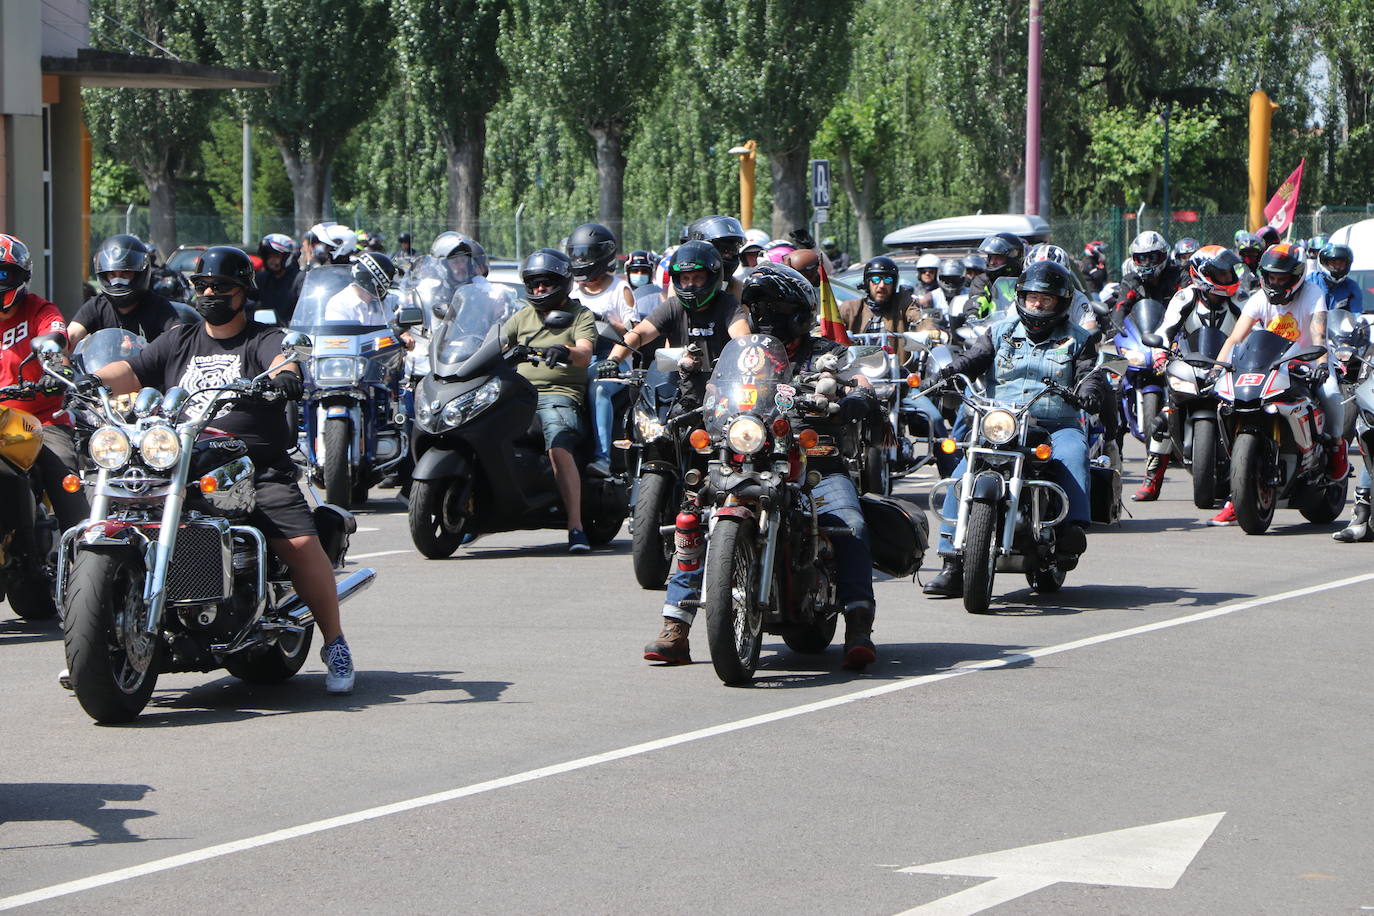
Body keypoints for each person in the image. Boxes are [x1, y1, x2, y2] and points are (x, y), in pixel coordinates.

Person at [89, 246, 354, 693]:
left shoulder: (262, 337)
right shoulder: (179, 340)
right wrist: (91, 379)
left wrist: (285, 374)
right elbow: (130, 371)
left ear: (242, 291)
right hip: (179, 458)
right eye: (202, 286)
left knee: (300, 541)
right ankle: (97, 648)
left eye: (221, 286)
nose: (210, 292)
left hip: (252, 464)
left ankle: (336, 643)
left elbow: (283, 359)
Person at [642, 263, 882, 670]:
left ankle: (858, 626)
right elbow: (714, 384)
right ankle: (676, 626)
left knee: (849, 525)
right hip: (742, 455)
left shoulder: (826, 352)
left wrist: (853, 397)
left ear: (799, 312)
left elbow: (861, 381)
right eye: (758, 309)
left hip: (815, 461)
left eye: (775, 309)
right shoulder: (744, 355)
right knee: (691, 519)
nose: (765, 318)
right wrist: (690, 391)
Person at [924, 260, 1108, 597]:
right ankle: (952, 564)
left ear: (1060, 303)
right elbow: (972, 360)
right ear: (1021, 297)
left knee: (1074, 452)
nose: (1037, 305)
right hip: (1001, 422)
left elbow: (1088, 373)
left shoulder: (1078, 339)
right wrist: (945, 374)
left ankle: (1071, 529)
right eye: (1032, 297)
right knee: (963, 472)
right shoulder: (1000, 332)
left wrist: (1090, 391)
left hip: (1054, 424)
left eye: (1046, 299)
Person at [1208, 242, 1344, 526]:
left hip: (1308, 362)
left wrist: (1320, 364)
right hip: (1269, 365)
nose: (1276, 283)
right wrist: (1217, 369)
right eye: (1271, 277)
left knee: (1330, 393)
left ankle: (1335, 446)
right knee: (1229, 405)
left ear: (1295, 277)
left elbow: (1318, 335)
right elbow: (1235, 338)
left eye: (1282, 278)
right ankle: (1239, 493)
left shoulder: (1313, 294)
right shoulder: (1258, 299)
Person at [501, 249, 598, 552]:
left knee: (557, 444)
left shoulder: (579, 315)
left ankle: (576, 526)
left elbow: (585, 352)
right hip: (517, 394)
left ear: (562, 283)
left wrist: (565, 350)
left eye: (545, 283)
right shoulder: (521, 316)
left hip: (558, 396)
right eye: (533, 284)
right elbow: (496, 344)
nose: (539, 290)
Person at [1132, 245, 1246, 501]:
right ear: (1205, 275)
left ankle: (1245, 471)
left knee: (1247, 416)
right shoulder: (1186, 297)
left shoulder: (1240, 301)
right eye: (1223, 273)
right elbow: (1165, 328)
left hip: (1228, 368)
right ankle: (1152, 480)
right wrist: (1160, 353)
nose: (1229, 277)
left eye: (1229, 272)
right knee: (1161, 421)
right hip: (1191, 363)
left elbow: (1256, 330)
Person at [0, 233, 88, 533]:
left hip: (41, 421)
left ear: (20, 277)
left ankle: (84, 556)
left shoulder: (40, 310)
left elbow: (56, 342)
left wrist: (56, 372)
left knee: (64, 476)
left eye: (2, 273)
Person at [839, 256, 957, 477]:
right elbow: (831, 325)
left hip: (898, 378)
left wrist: (930, 329)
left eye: (887, 279)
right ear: (867, 282)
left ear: (894, 282)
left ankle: (952, 481)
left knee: (935, 418)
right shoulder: (850, 308)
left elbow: (919, 318)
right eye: (875, 278)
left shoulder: (903, 302)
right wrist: (820, 332)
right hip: (857, 380)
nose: (881, 284)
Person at [603, 240, 751, 402]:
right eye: (685, 278)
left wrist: (749, 360)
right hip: (676, 392)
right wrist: (613, 360)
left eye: (697, 278)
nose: (690, 285)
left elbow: (742, 338)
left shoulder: (727, 304)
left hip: (722, 391)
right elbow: (639, 333)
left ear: (712, 277)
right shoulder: (673, 306)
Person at [566, 223, 636, 477]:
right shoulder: (572, 290)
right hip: (579, 356)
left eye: (587, 255)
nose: (581, 261)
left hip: (613, 360)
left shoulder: (620, 289)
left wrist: (605, 321)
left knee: (597, 387)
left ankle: (603, 457)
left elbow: (634, 333)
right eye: (577, 255)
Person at [69, 234, 182, 345]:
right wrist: (59, 344)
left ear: (139, 274)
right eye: (112, 274)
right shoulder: (96, 306)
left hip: (146, 364)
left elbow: (177, 334)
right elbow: (72, 335)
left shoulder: (158, 306)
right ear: (104, 275)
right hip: (103, 364)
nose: (118, 280)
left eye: (125, 273)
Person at [1108, 230, 1184, 326]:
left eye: (1153, 257)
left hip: (1174, 333)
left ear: (1163, 255)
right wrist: (1115, 330)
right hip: (1141, 334)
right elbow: (1120, 307)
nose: (1147, 263)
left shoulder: (1178, 277)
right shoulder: (1131, 282)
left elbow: (1187, 303)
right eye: (1142, 258)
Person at [963, 233, 1024, 319]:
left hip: (1022, 327)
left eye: (998, 257)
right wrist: (972, 313)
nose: (992, 262)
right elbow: (978, 298)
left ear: (1014, 256)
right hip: (991, 328)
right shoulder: (983, 280)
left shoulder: (1025, 280)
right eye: (991, 257)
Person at [687, 215, 748, 299]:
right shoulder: (684, 284)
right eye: (721, 248)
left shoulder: (737, 287)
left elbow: (743, 311)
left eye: (733, 249)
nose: (728, 255)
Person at [253, 233, 300, 326]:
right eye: (269, 256)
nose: (271, 260)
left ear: (287, 256)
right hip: (266, 331)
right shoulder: (262, 279)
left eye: (276, 255)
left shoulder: (299, 279)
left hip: (292, 330)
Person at [1309, 242, 1362, 314]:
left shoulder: (1351, 287)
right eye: (1333, 262)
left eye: (1341, 263)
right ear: (1324, 262)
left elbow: (1356, 313)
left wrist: (1359, 321)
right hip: (1311, 324)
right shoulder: (1310, 282)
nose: (1337, 267)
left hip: (1338, 324)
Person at [624, 249, 665, 321]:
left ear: (651, 273)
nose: (639, 274)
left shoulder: (661, 295)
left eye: (644, 271)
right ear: (627, 273)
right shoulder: (620, 294)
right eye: (635, 270)